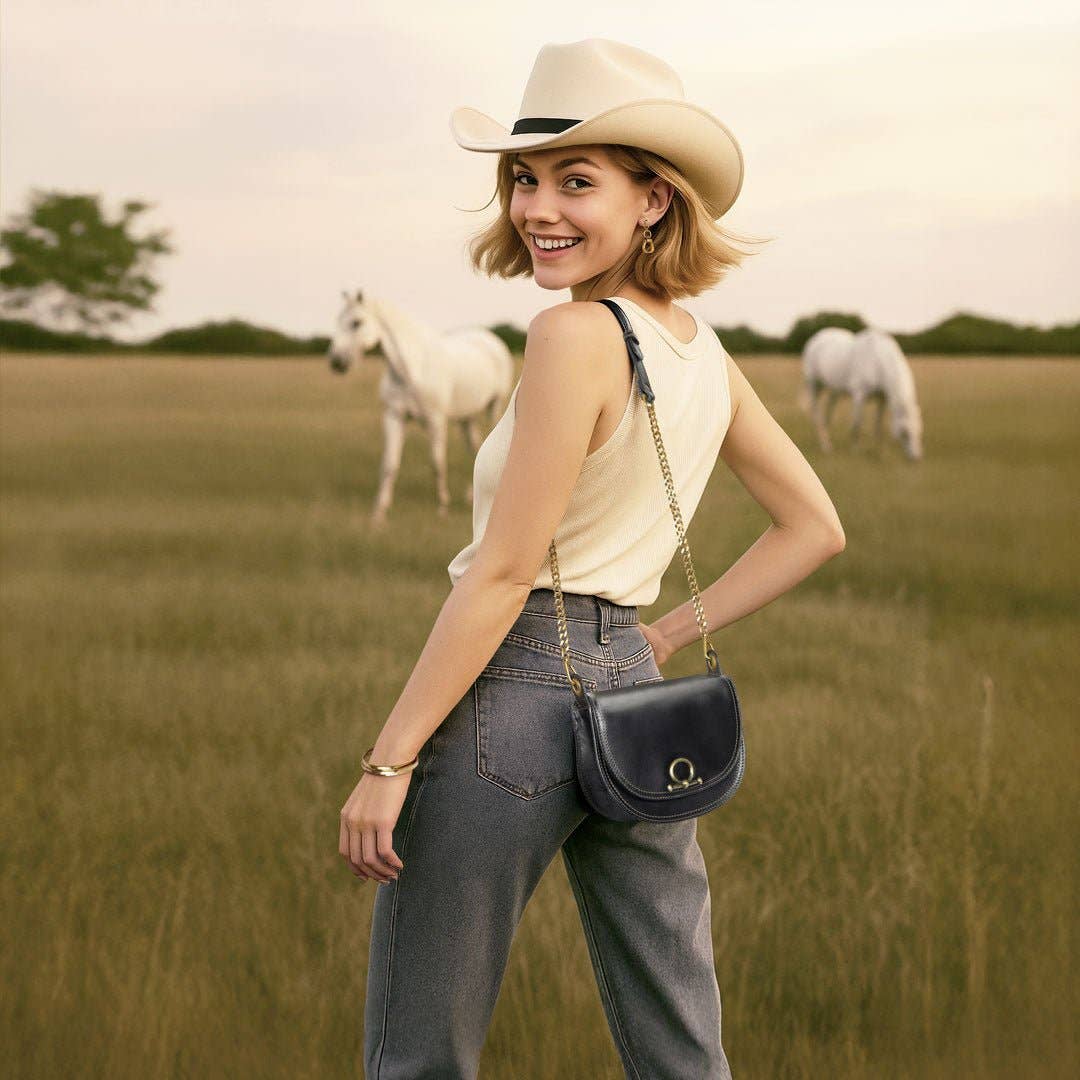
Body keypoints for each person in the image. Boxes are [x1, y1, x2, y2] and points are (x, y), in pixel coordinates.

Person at [341, 38, 846, 1079]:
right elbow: (814, 526)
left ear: (653, 201)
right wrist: (655, 638)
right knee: (681, 1051)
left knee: (419, 1053)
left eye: (577, 182)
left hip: (515, 694)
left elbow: (502, 574)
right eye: (525, 179)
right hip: (636, 698)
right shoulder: (700, 351)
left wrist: (388, 762)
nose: (539, 209)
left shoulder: (571, 337)